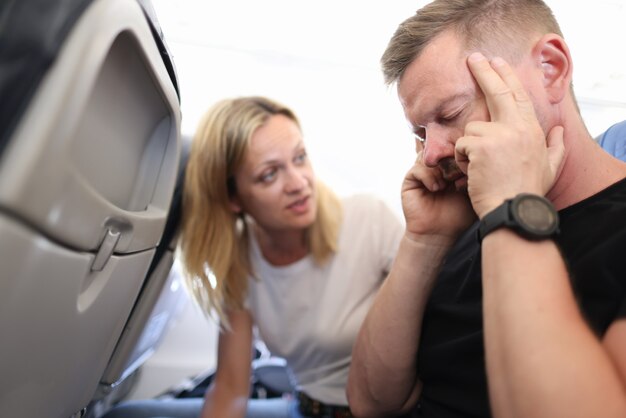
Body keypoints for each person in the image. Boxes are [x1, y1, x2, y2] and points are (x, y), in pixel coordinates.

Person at [346, 1, 626, 418]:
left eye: (451, 113)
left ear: (549, 69)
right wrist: (426, 240)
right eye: (423, 132)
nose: (432, 154)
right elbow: (373, 403)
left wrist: (513, 208)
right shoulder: (467, 220)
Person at [102, 96, 403, 418]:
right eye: (269, 175)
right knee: (126, 415)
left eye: (300, 158)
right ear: (233, 197)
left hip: (371, 411)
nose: (299, 183)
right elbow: (231, 389)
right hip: (303, 408)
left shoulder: (370, 219)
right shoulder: (239, 261)